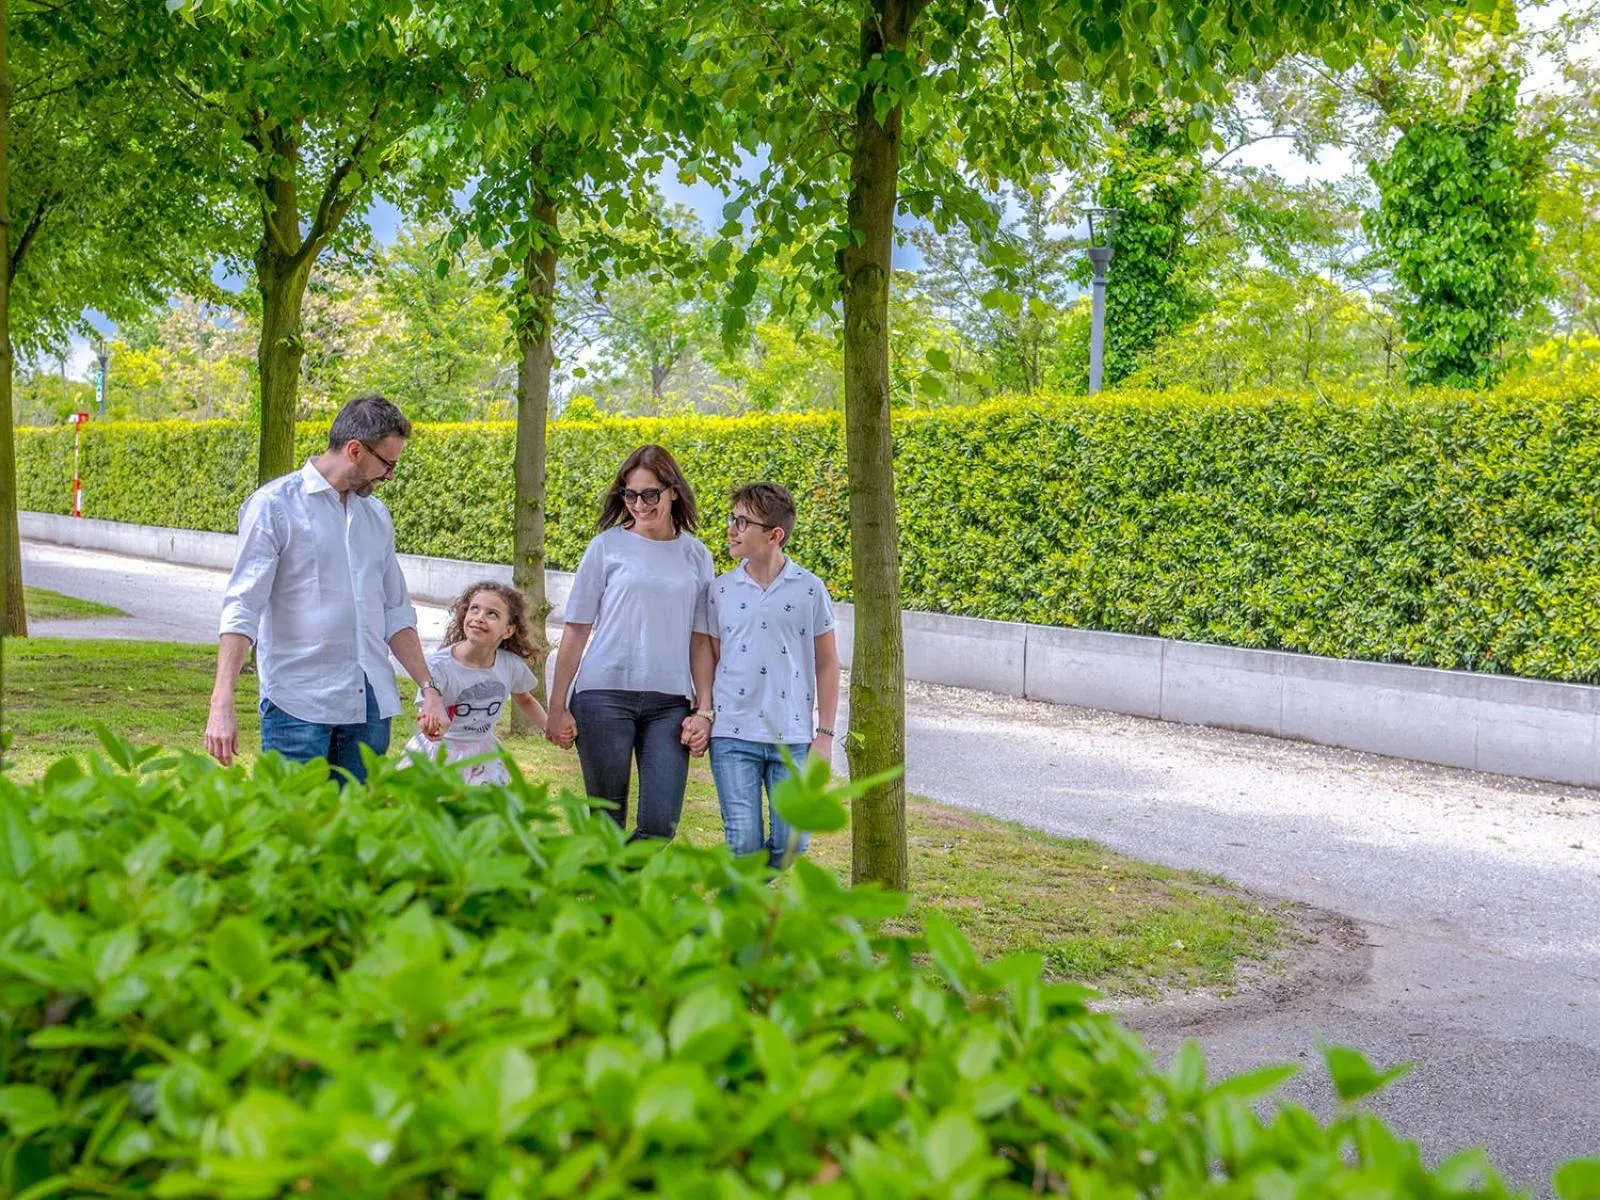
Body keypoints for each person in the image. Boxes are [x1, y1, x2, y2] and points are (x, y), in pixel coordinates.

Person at [204, 394, 448, 783]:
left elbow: (395, 612)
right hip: (296, 704)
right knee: (293, 828)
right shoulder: (273, 506)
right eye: (387, 464)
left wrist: (428, 686)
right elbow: (242, 607)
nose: (389, 476)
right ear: (354, 450)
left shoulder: (376, 516)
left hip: (369, 703)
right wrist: (222, 702)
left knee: (354, 833)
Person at [544, 445, 715, 839]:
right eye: (630, 494)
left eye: (650, 494)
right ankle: (612, 898)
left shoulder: (696, 555)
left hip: (670, 703)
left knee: (660, 826)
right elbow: (576, 630)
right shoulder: (606, 547)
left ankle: (615, 885)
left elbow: (700, 639)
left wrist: (704, 709)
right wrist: (557, 705)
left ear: (673, 491)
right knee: (605, 822)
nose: (639, 504)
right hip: (602, 695)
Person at [707, 482, 840, 868]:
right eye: (732, 519)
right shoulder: (720, 590)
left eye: (743, 522)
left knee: (792, 844)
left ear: (774, 535)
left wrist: (825, 736)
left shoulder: (810, 590)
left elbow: (828, 663)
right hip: (733, 735)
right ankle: (747, 921)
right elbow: (714, 657)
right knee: (743, 844)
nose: (732, 528)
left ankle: (744, 904)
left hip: (793, 738)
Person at [400, 581, 547, 784]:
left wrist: (550, 728)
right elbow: (427, 711)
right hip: (439, 752)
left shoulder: (511, 665)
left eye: (492, 614)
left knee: (485, 812)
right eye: (474, 609)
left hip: (482, 755)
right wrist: (429, 726)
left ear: (508, 630)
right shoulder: (439, 666)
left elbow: (525, 700)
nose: (479, 618)